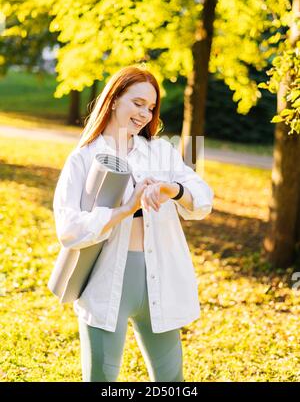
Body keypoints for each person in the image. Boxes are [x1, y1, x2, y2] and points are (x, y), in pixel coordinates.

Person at [52, 65, 214, 382]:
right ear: (113, 100)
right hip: (105, 282)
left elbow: (203, 200)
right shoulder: (83, 158)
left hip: (160, 281)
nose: (144, 114)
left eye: (151, 107)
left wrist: (173, 190)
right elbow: (68, 229)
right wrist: (126, 208)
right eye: (137, 103)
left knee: (171, 382)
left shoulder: (160, 153)